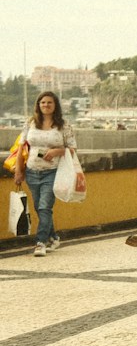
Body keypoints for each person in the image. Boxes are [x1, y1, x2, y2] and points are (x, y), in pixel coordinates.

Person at [12, 91, 77, 258]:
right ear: (38, 105)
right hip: (32, 171)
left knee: (44, 207)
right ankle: (54, 237)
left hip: (53, 171)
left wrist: (57, 151)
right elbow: (21, 148)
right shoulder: (31, 123)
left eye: (49, 102)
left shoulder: (64, 125)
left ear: (55, 106)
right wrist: (19, 170)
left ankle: (40, 242)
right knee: (40, 208)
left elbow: (73, 149)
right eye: (42, 103)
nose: (46, 105)